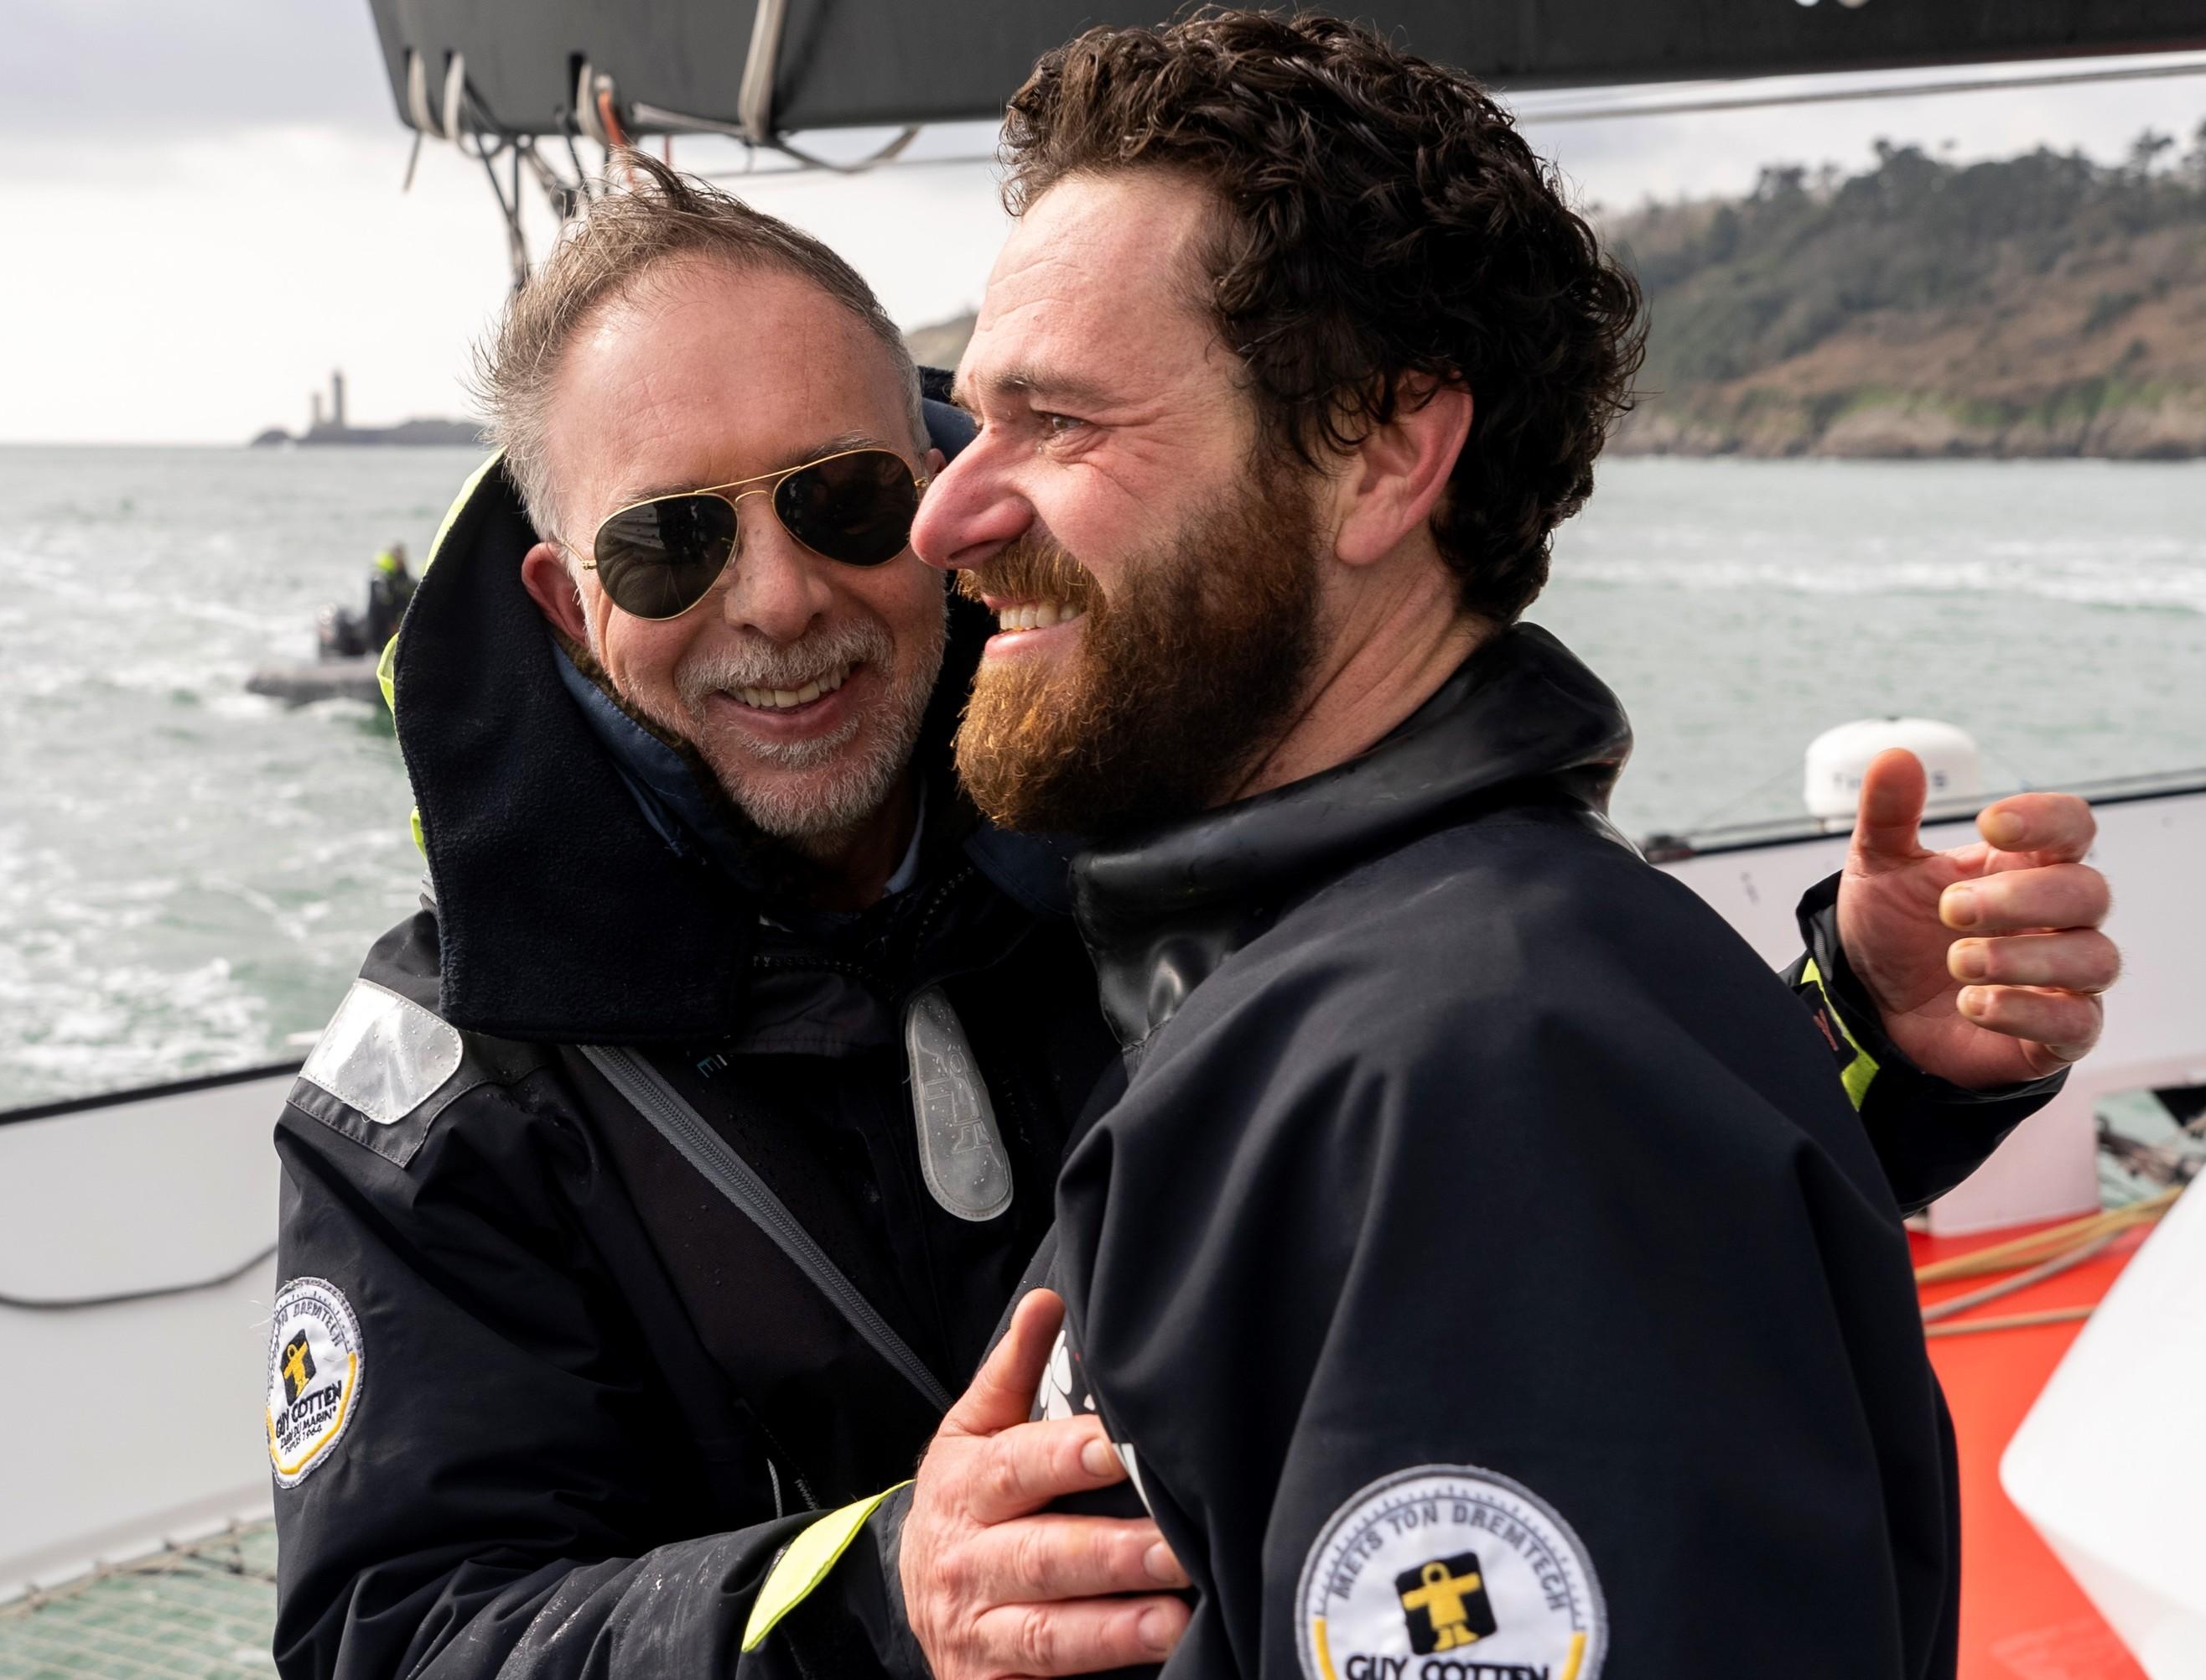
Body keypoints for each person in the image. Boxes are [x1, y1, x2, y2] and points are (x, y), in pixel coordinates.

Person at [266, 158, 2113, 1680]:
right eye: (668, 543)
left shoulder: (1197, 784)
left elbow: (1519, 1180)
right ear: (570, 603)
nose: (777, 602)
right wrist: (867, 1600)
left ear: (939, 494)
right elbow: (391, 1631)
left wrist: (1856, 1043)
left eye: (843, 503)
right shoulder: (454, 1093)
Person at [875, 16, 2122, 1680]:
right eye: (974, 420)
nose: (945, 517)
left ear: (1386, 457)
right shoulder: (1355, 997)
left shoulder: (1472, 1069)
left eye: (1061, 425)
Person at [366, 542, 417, 651]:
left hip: (398, 621)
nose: (401, 559)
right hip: (382, 625)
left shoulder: (403, 577)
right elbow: (383, 603)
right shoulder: (381, 578)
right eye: (398, 556)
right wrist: (391, 623)